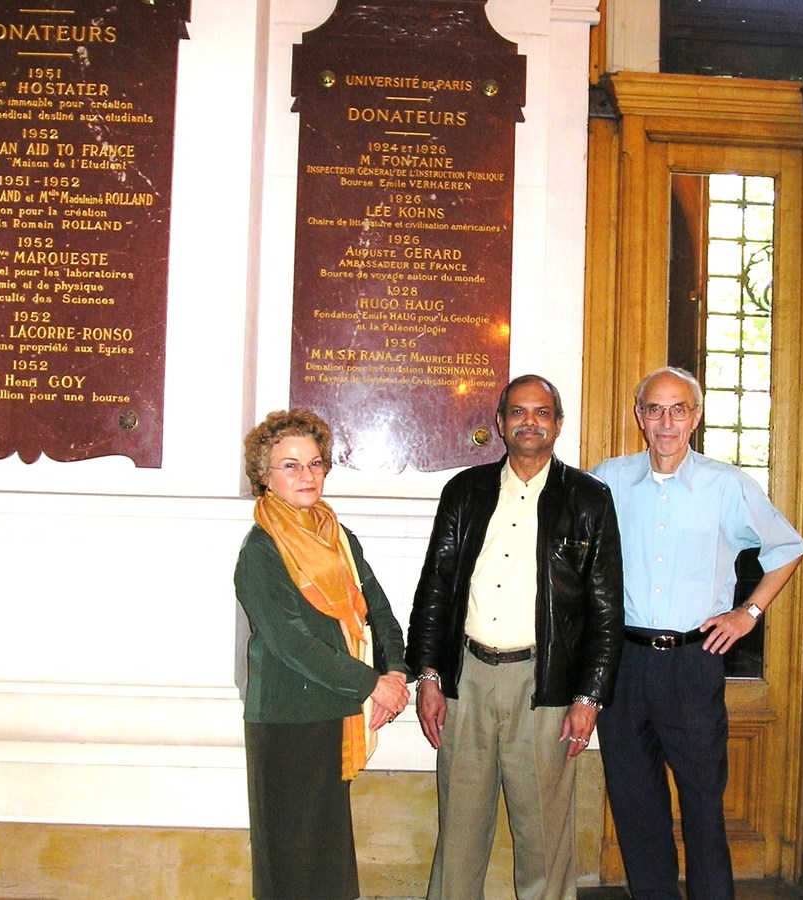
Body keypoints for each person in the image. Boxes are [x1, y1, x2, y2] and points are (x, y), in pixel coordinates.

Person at [406, 374, 624, 900]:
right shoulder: (466, 491)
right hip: (468, 679)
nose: (531, 421)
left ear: (558, 424)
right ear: (501, 424)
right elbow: (436, 586)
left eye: (542, 412)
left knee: (545, 837)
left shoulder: (589, 499)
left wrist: (589, 697)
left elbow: (606, 608)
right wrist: (430, 676)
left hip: (544, 684)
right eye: (519, 412)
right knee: (459, 829)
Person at [592, 367, 803, 899]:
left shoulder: (727, 485)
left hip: (693, 663)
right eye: (655, 409)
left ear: (696, 415)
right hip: (624, 664)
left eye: (679, 409)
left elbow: (787, 548)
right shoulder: (607, 480)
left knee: (703, 807)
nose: (666, 422)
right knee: (637, 808)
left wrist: (748, 614)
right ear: (639, 416)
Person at [234, 409, 411, 900]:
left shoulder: (339, 536)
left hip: (335, 711)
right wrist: (371, 683)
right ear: (264, 477)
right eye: (289, 466)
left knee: (328, 856)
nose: (306, 475)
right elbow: (290, 641)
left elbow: (379, 608)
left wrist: (394, 671)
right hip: (287, 719)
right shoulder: (262, 550)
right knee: (290, 859)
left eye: (315, 463)